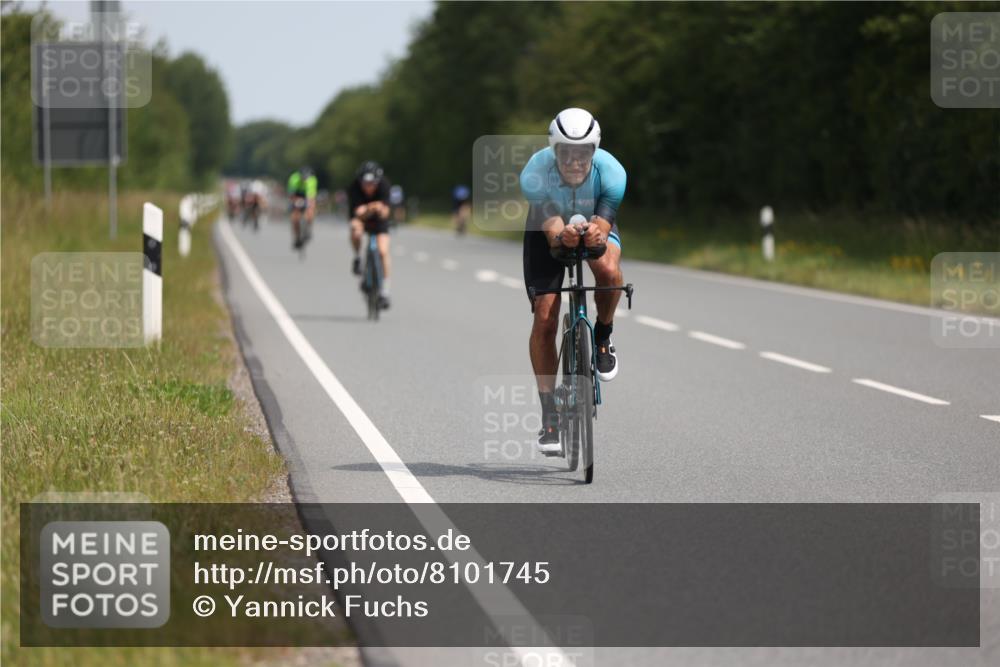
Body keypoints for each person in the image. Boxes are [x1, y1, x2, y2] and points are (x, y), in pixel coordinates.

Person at [519, 108, 627, 452]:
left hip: (594, 218)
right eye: (566, 152)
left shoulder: (613, 173)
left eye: (583, 153)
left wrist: (596, 235)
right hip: (548, 227)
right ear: (555, 150)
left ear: (594, 152)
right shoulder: (534, 173)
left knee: (609, 272)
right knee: (546, 317)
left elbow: (604, 228)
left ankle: (603, 337)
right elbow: (552, 233)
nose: (575, 161)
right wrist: (561, 237)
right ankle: (549, 415)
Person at [348, 161, 393, 308]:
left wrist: (380, 209)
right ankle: (357, 257)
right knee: (356, 231)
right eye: (365, 183)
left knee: (383, 251)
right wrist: (370, 207)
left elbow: (386, 212)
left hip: (379, 220)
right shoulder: (354, 188)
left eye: (372, 183)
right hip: (362, 218)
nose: (369, 187)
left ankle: (385, 291)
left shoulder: (385, 185)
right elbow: (358, 214)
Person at [287, 166, 318, 249]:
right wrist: (296, 202)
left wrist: (310, 204)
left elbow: (311, 196)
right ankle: (297, 237)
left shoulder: (312, 180)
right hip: (296, 195)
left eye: (306, 178)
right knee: (294, 218)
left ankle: (309, 227)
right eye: (303, 177)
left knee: (311, 210)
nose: (305, 179)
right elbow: (291, 194)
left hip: (306, 195)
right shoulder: (294, 178)